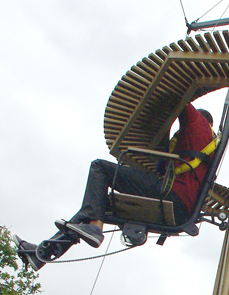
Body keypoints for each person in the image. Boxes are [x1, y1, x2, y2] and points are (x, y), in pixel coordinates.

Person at [17, 102, 216, 269]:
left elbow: (180, 97)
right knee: (96, 205)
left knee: (100, 168)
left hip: (171, 195)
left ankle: (95, 227)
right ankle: (43, 254)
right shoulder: (207, 149)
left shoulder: (198, 123)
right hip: (180, 205)